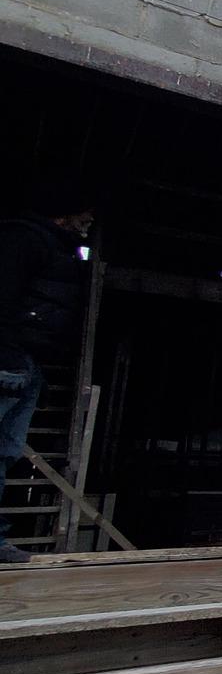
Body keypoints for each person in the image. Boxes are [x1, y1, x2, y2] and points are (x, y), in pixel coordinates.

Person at [0, 189, 93, 563]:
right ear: (61, 214)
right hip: (9, 358)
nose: (89, 224)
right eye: (84, 217)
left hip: (27, 361)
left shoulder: (57, 248)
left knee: (5, 452)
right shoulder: (22, 239)